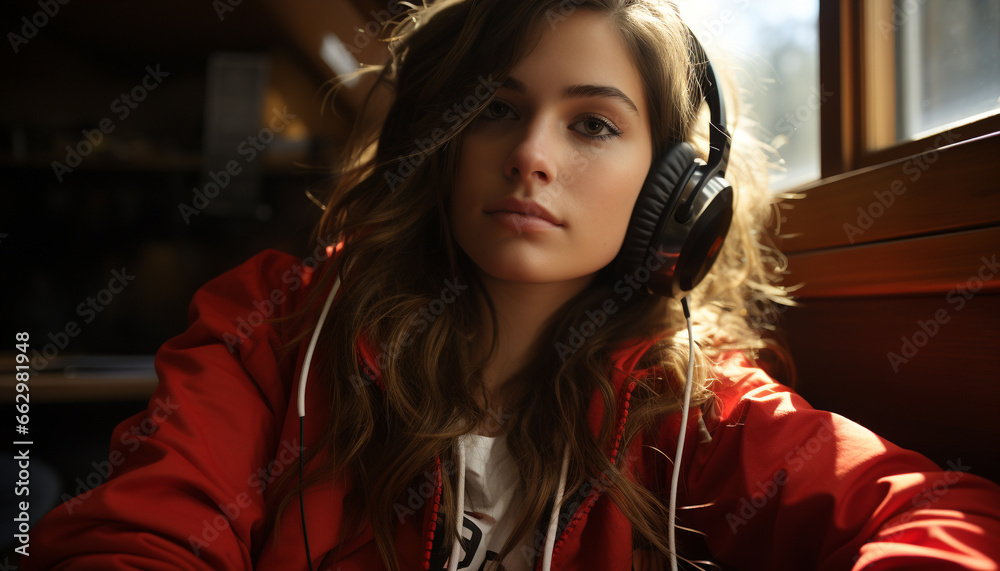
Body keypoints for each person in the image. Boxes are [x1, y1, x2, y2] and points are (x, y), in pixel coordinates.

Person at [22, 1, 1000, 570]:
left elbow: (937, 513)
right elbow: (132, 540)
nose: (530, 155)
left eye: (591, 124)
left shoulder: (696, 401)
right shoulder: (276, 324)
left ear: (674, 193)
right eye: (496, 110)